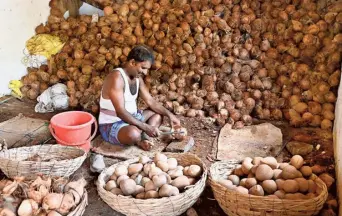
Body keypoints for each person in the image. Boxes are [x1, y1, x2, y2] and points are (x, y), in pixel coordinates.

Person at [98, 45, 181, 151]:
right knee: (133, 134)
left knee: (159, 115)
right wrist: (145, 127)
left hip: (133, 118)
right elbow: (121, 112)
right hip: (112, 124)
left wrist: (170, 115)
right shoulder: (116, 77)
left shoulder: (138, 79)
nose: (145, 73)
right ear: (132, 62)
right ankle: (139, 139)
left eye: (147, 69)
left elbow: (151, 102)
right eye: (143, 68)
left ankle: (146, 137)